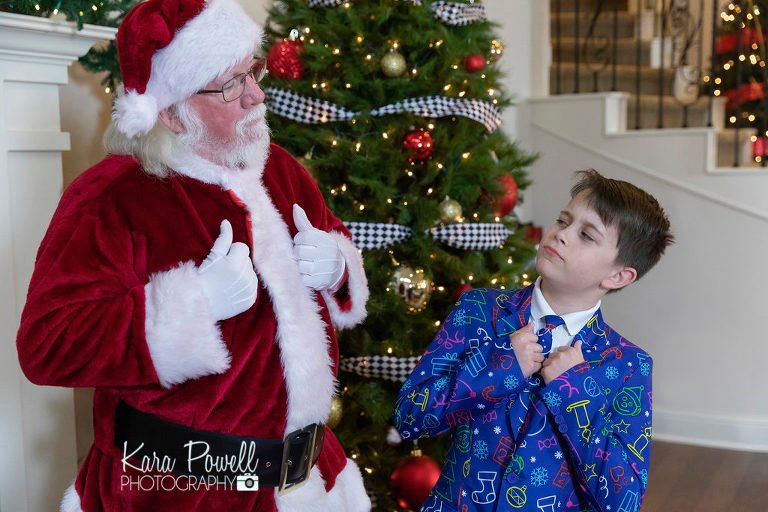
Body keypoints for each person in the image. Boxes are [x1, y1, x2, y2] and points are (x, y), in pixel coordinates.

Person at [15, 0, 371, 510]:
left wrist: (338, 266)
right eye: (231, 84)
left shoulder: (280, 169)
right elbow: (48, 344)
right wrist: (192, 304)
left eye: (254, 70)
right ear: (171, 113)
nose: (256, 95)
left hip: (309, 482)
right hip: (180, 492)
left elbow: (339, 266)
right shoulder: (112, 197)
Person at [393, 169, 673, 511]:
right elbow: (410, 417)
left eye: (586, 235)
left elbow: (621, 501)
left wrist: (574, 392)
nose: (561, 235)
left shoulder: (628, 365)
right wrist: (499, 367)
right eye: (563, 220)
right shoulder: (478, 311)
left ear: (617, 275)